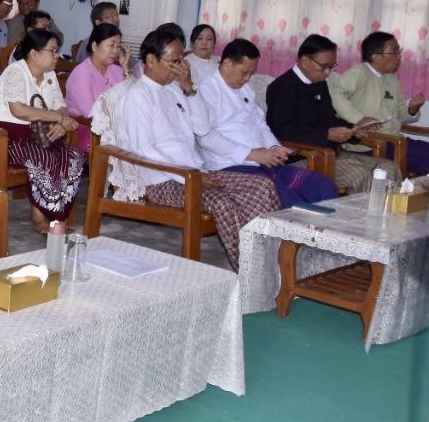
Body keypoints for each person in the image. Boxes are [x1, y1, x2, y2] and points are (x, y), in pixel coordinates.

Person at [118, 28, 280, 271]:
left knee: (263, 187)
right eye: (174, 62)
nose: (181, 67)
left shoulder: (175, 89)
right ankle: (250, 272)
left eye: (181, 60)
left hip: (194, 172)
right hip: (163, 180)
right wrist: (190, 176)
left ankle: (271, 262)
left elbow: (203, 127)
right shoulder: (138, 96)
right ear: (151, 60)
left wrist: (189, 88)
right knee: (223, 204)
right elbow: (144, 151)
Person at [197, 38, 339, 207]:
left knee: (322, 185)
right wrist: (251, 154)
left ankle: (323, 224)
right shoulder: (206, 90)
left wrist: (274, 147)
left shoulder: (245, 89)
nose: (247, 78)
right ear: (227, 64)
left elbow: (260, 124)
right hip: (229, 165)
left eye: (251, 73)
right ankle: (301, 224)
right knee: (285, 196)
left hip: (262, 162)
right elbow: (206, 138)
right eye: (244, 72)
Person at [266, 33, 400, 192]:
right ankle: (363, 210)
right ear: (305, 61)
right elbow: (282, 130)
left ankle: (385, 208)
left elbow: (329, 119)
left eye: (331, 66)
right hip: (303, 158)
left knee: (388, 168)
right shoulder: (282, 87)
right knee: (360, 174)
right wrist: (326, 135)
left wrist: (354, 130)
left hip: (330, 154)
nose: (327, 73)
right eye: (324, 66)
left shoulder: (319, 83)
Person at [0, 28, 85, 233]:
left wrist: (61, 124)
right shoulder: (15, 72)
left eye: (57, 50)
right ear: (33, 53)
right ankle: (39, 216)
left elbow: (61, 106)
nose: (57, 56)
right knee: (44, 158)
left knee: (73, 156)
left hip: (40, 135)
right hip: (6, 137)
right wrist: (58, 118)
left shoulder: (49, 74)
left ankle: (56, 215)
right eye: (53, 51)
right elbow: (18, 110)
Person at [329, 30, 429, 175]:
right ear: (375, 56)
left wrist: (412, 110)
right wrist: (359, 118)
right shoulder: (359, 72)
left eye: (399, 51)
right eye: (394, 52)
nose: (399, 56)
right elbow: (334, 93)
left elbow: (400, 114)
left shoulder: (391, 79)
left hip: (394, 141)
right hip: (370, 145)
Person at [64, 22, 127, 150]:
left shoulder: (116, 70)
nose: (116, 51)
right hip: (84, 128)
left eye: (118, 46)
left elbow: (128, 102)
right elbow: (90, 112)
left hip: (114, 125)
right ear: (94, 46)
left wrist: (125, 68)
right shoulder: (81, 74)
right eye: (111, 45)